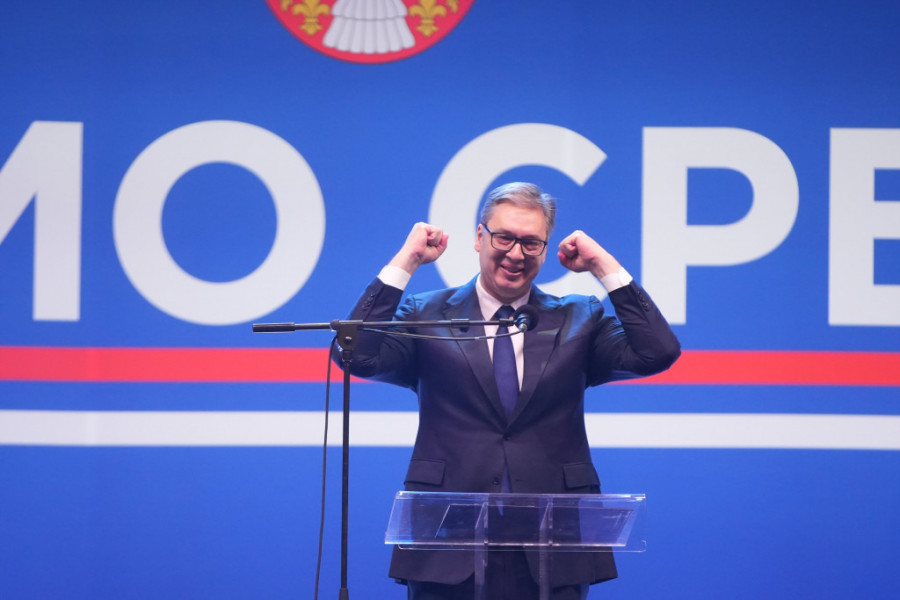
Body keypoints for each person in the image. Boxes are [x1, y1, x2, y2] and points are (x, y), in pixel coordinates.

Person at [337, 182, 681, 599]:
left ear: (545, 249)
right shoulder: (426, 314)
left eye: (531, 243)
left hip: (552, 545)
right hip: (447, 541)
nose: (516, 254)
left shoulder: (578, 318)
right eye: (504, 238)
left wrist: (604, 266)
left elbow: (657, 352)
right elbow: (355, 355)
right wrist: (405, 262)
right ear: (479, 237)